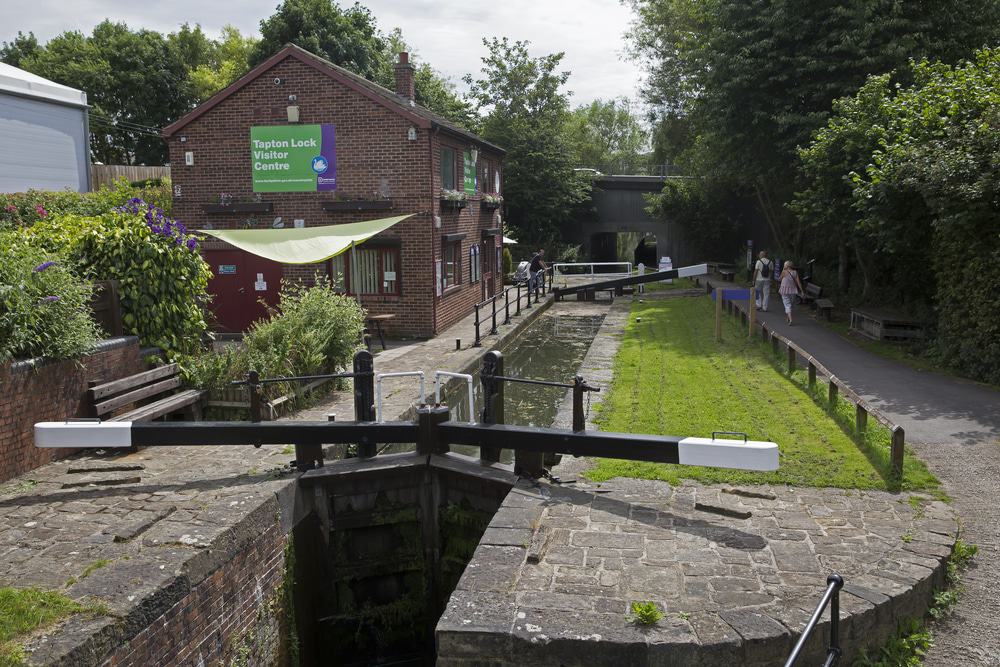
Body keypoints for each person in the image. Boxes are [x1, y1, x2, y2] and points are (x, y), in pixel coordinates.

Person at [778, 260, 804, 325]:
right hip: (793, 290)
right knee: (790, 305)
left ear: (786, 266)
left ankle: (790, 320)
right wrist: (802, 291)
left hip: (784, 290)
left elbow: (779, 279)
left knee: (787, 305)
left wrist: (783, 271)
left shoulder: (784, 271)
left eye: (784, 265)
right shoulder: (795, 272)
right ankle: (789, 318)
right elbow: (798, 282)